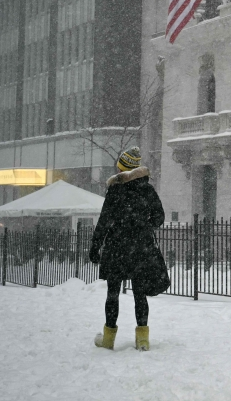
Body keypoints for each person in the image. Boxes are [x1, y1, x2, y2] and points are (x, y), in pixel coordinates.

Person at [90, 147, 165, 351]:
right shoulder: (147, 189)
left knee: (113, 293)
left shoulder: (115, 190)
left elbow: (104, 221)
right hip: (140, 248)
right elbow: (159, 217)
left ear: (122, 168)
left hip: (117, 247)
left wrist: (96, 246)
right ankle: (142, 339)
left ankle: (108, 339)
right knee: (140, 294)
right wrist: (143, 226)